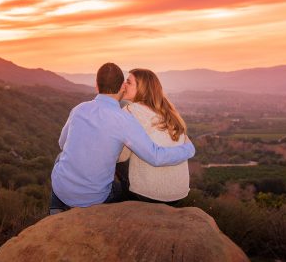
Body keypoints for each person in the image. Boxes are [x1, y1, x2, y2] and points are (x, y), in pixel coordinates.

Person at [49, 63, 195, 214]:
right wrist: (188, 149)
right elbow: (154, 155)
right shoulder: (129, 117)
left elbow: (62, 144)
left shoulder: (79, 108)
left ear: (96, 86)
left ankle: (55, 205)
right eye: (125, 82)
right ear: (121, 87)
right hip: (98, 197)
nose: (126, 85)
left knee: (61, 157)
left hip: (63, 190)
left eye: (129, 82)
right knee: (114, 172)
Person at [117, 68, 190, 205]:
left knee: (116, 158)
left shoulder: (130, 111)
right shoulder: (169, 112)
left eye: (128, 82)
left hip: (149, 194)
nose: (123, 85)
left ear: (142, 88)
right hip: (179, 192)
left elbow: (122, 156)